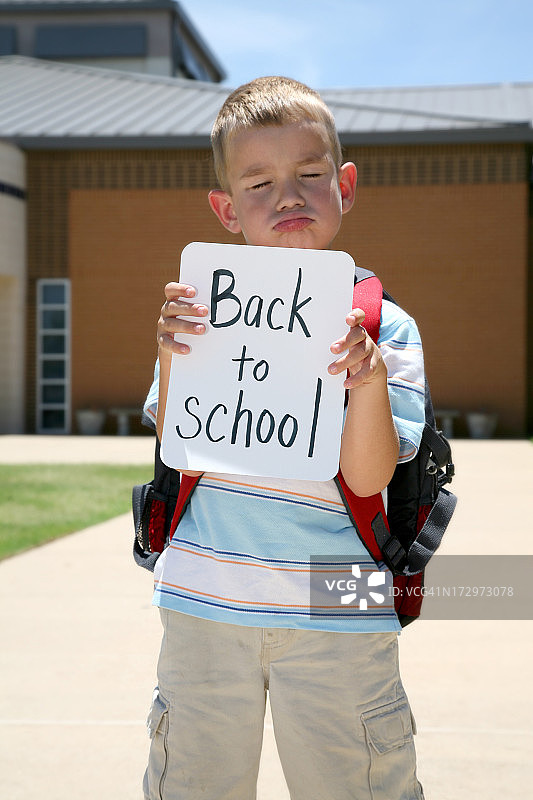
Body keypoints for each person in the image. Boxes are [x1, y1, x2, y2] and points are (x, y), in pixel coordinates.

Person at [143, 76, 426, 800]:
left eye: (309, 174)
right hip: (207, 595)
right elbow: (181, 444)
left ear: (345, 185)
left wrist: (364, 381)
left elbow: (367, 480)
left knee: (357, 786)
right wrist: (174, 352)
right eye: (259, 183)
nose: (288, 197)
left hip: (342, 600)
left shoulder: (384, 324)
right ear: (225, 209)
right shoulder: (201, 311)